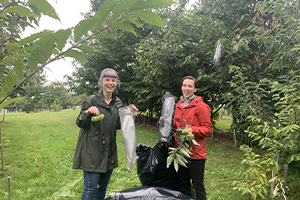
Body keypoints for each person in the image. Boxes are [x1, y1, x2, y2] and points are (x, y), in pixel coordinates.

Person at [73, 68, 139, 200]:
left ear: (116, 83)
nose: (110, 83)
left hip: (109, 152)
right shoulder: (91, 100)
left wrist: (131, 115)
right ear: (101, 82)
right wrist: (87, 113)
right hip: (92, 151)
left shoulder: (118, 103)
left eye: (113, 80)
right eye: (107, 80)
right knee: (91, 189)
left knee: (102, 188)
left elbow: (119, 126)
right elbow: (80, 122)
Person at [173, 76, 212, 200]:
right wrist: (165, 122)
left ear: (195, 89)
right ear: (181, 87)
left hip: (196, 154)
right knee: (184, 183)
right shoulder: (179, 105)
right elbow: (176, 126)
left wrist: (193, 130)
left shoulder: (201, 106)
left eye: (190, 86)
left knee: (197, 185)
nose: (186, 88)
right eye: (184, 85)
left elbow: (208, 129)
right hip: (180, 152)